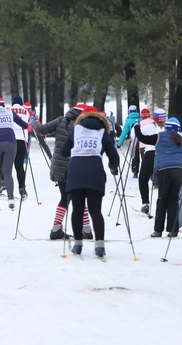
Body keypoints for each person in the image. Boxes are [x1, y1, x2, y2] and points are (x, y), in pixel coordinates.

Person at [60, 107, 120, 257]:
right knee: (95, 211)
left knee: (77, 210)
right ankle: (99, 246)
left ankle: (78, 245)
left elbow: (64, 152)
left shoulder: (76, 130)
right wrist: (113, 167)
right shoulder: (103, 132)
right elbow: (114, 156)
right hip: (95, 172)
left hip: (76, 171)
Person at [31, 103, 94, 239]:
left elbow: (41, 130)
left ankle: (57, 229)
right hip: (75, 167)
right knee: (79, 198)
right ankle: (86, 230)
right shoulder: (82, 125)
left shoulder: (60, 121)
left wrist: (33, 121)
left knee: (65, 198)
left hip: (59, 167)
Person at [135, 117, 182, 237]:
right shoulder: (181, 139)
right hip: (179, 170)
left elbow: (142, 138)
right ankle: (173, 230)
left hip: (165, 170)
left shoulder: (159, 136)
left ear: (166, 127)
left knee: (162, 198)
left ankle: (158, 230)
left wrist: (137, 127)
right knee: (173, 199)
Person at [137, 108, 163, 215]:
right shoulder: (167, 128)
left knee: (143, 178)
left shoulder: (148, 127)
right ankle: (162, 202)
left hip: (150, 152)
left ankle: (145, 203)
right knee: (162, 180)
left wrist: (136, 127)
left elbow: (135, 136)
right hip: (163, 154)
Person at [10, 94, 33, 200]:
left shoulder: (8, 109)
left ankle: (3, 182)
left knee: (6, 165)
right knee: (19, 166)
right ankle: (22, 188)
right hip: (22, 140)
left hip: (10, 139)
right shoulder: (26, 111)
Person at [116, 105, 141, 177]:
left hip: (134, 139)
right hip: (142, 139)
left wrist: (119, 144)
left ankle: (135, 170)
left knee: (134, 155)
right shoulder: (140, 119)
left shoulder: (128, 121)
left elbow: (124, 133)